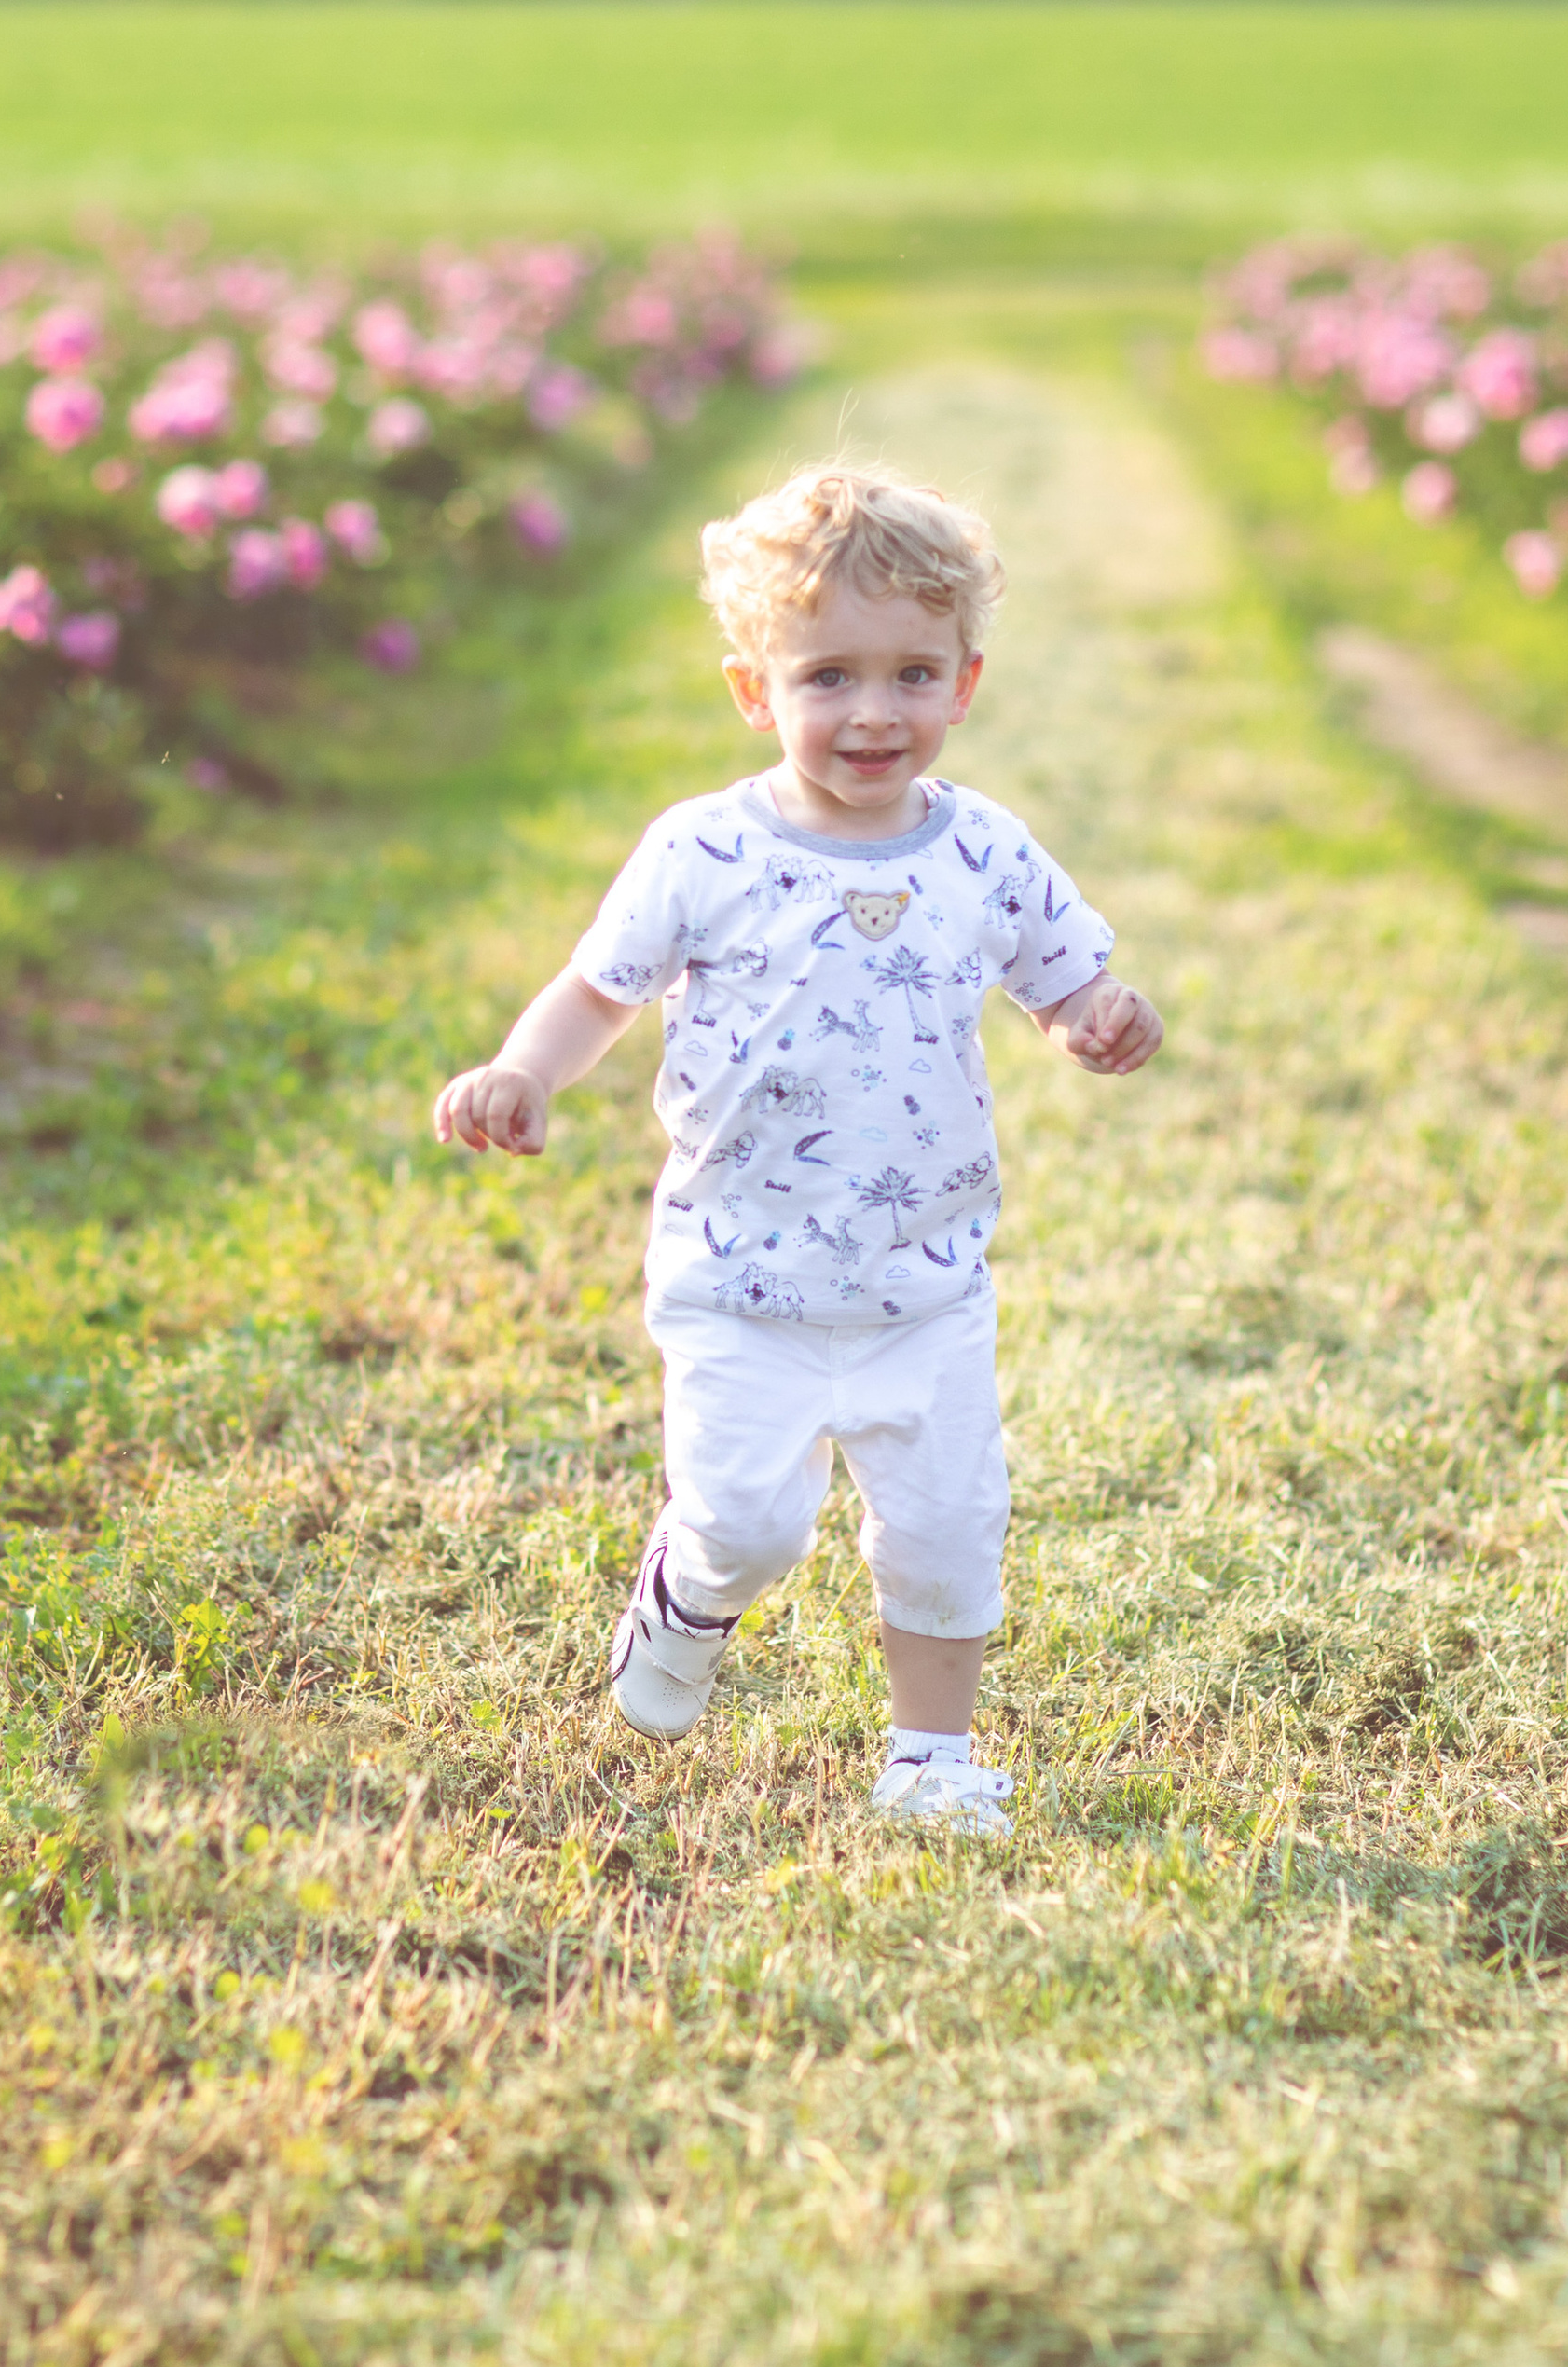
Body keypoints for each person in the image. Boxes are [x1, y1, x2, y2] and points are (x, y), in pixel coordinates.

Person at [433, 463, 1162, 1837]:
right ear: (754, 692)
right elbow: (599, 990)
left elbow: (1064, 981)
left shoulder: (984, 851)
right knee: (749, 1523)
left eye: (912, 675)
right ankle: (689, 1592)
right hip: (739, 1278)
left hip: (923, 1284)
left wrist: (1099, 1019)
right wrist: (525, 1069)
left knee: (948, 1530)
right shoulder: (703, 850)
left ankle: (930, 1761)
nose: (874, 712)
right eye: (829, 677)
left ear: (965, 683)